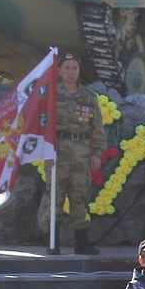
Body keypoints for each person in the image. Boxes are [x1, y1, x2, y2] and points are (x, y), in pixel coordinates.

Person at [44, 52, 106, 255]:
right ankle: (53, 242)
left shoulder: (88, 96)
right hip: (56, 151)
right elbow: (40, 124)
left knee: (79, 196)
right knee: (55, 196)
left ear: (79, 72)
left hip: (81, 152)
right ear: (60, 71)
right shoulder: (50, 94)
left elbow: (97, 127)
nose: (71, 72)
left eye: (75, 68)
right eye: (67, 68)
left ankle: (81, 243)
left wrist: (97, 153)